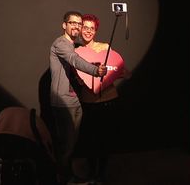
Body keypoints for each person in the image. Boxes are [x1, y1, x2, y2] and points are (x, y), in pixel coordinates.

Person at [49, 11, 107, 185]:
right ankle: (64, 179)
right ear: (64, 25)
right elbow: (74, 60)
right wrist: (95, 70)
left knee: (71, 144)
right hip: (63, 101)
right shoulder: (61, 43)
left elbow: (77, 63)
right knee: (66, 145)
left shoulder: (74, 45)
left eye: (79, 24)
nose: (77, 26)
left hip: (74, 100)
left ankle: (67, 176)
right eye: (72, 23)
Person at [76, 14, 130, 185]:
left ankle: (102, 174)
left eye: (92, 28)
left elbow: (123, 72)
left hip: (108, 101)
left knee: (105, 140)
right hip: (88, 102)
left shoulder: (105, 48)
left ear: (96, 30)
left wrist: (117, 73)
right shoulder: (76, 52)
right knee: (90, 140)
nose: (88, 31)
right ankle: (92, 173)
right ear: (80, 29)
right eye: (85, 27)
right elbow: (78, 78)